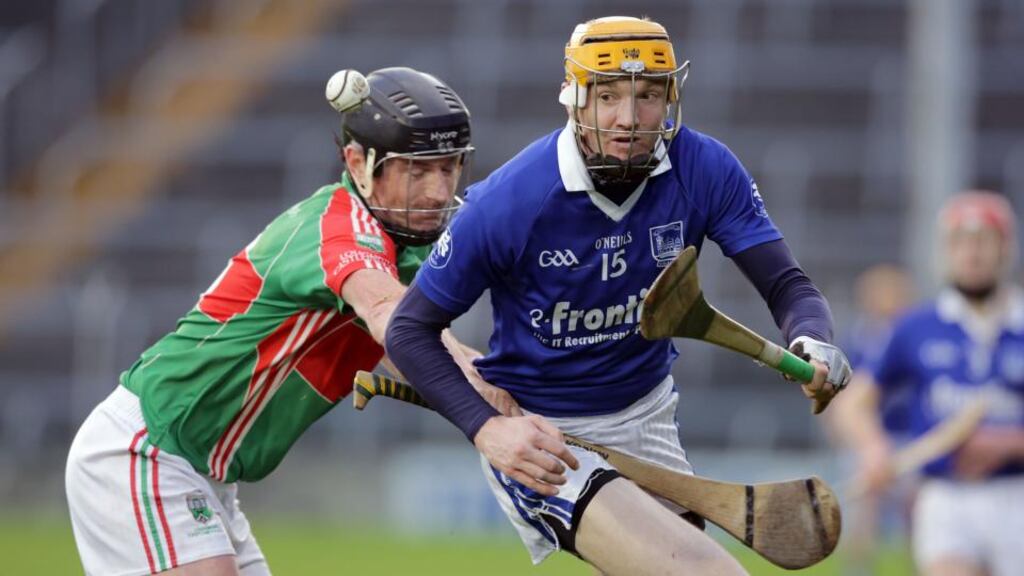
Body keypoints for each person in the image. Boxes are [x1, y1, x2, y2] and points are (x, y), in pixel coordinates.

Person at [385, 16, 851, 576]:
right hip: (543, 437)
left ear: (671, 98)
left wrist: (814, 340)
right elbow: (409, 330)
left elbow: (787, 285)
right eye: (608, 96)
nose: (629, 118)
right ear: (575, 101)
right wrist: (489, 429)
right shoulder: (511, 201)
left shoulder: (704, 169)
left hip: (648, 417)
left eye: (648, 96)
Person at [65, 67, 502, 575]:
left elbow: (423, 351)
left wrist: (518, 398)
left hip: (204, 471)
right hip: (148, 450)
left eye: (449, 168)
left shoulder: (400, 250)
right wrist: (493, 419)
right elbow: (393, 323)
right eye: (417, 170)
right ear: (359, 163)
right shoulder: (339, 230)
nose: (435, 191)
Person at [833, 190, 1024, 576]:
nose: (972, 254)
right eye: (960, 241)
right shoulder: (916, 327)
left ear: (1006, 248)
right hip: (945, 497)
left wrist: (1010, 443)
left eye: (983, 241)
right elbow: (854, 402)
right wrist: (873, 447)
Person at [828, 264, 916, 576]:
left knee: (914, 514)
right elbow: (842, 394)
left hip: (908, 438)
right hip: (867, 440)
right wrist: (847, 435)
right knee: (863, 515)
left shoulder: (911, 337)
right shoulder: (859, 339)